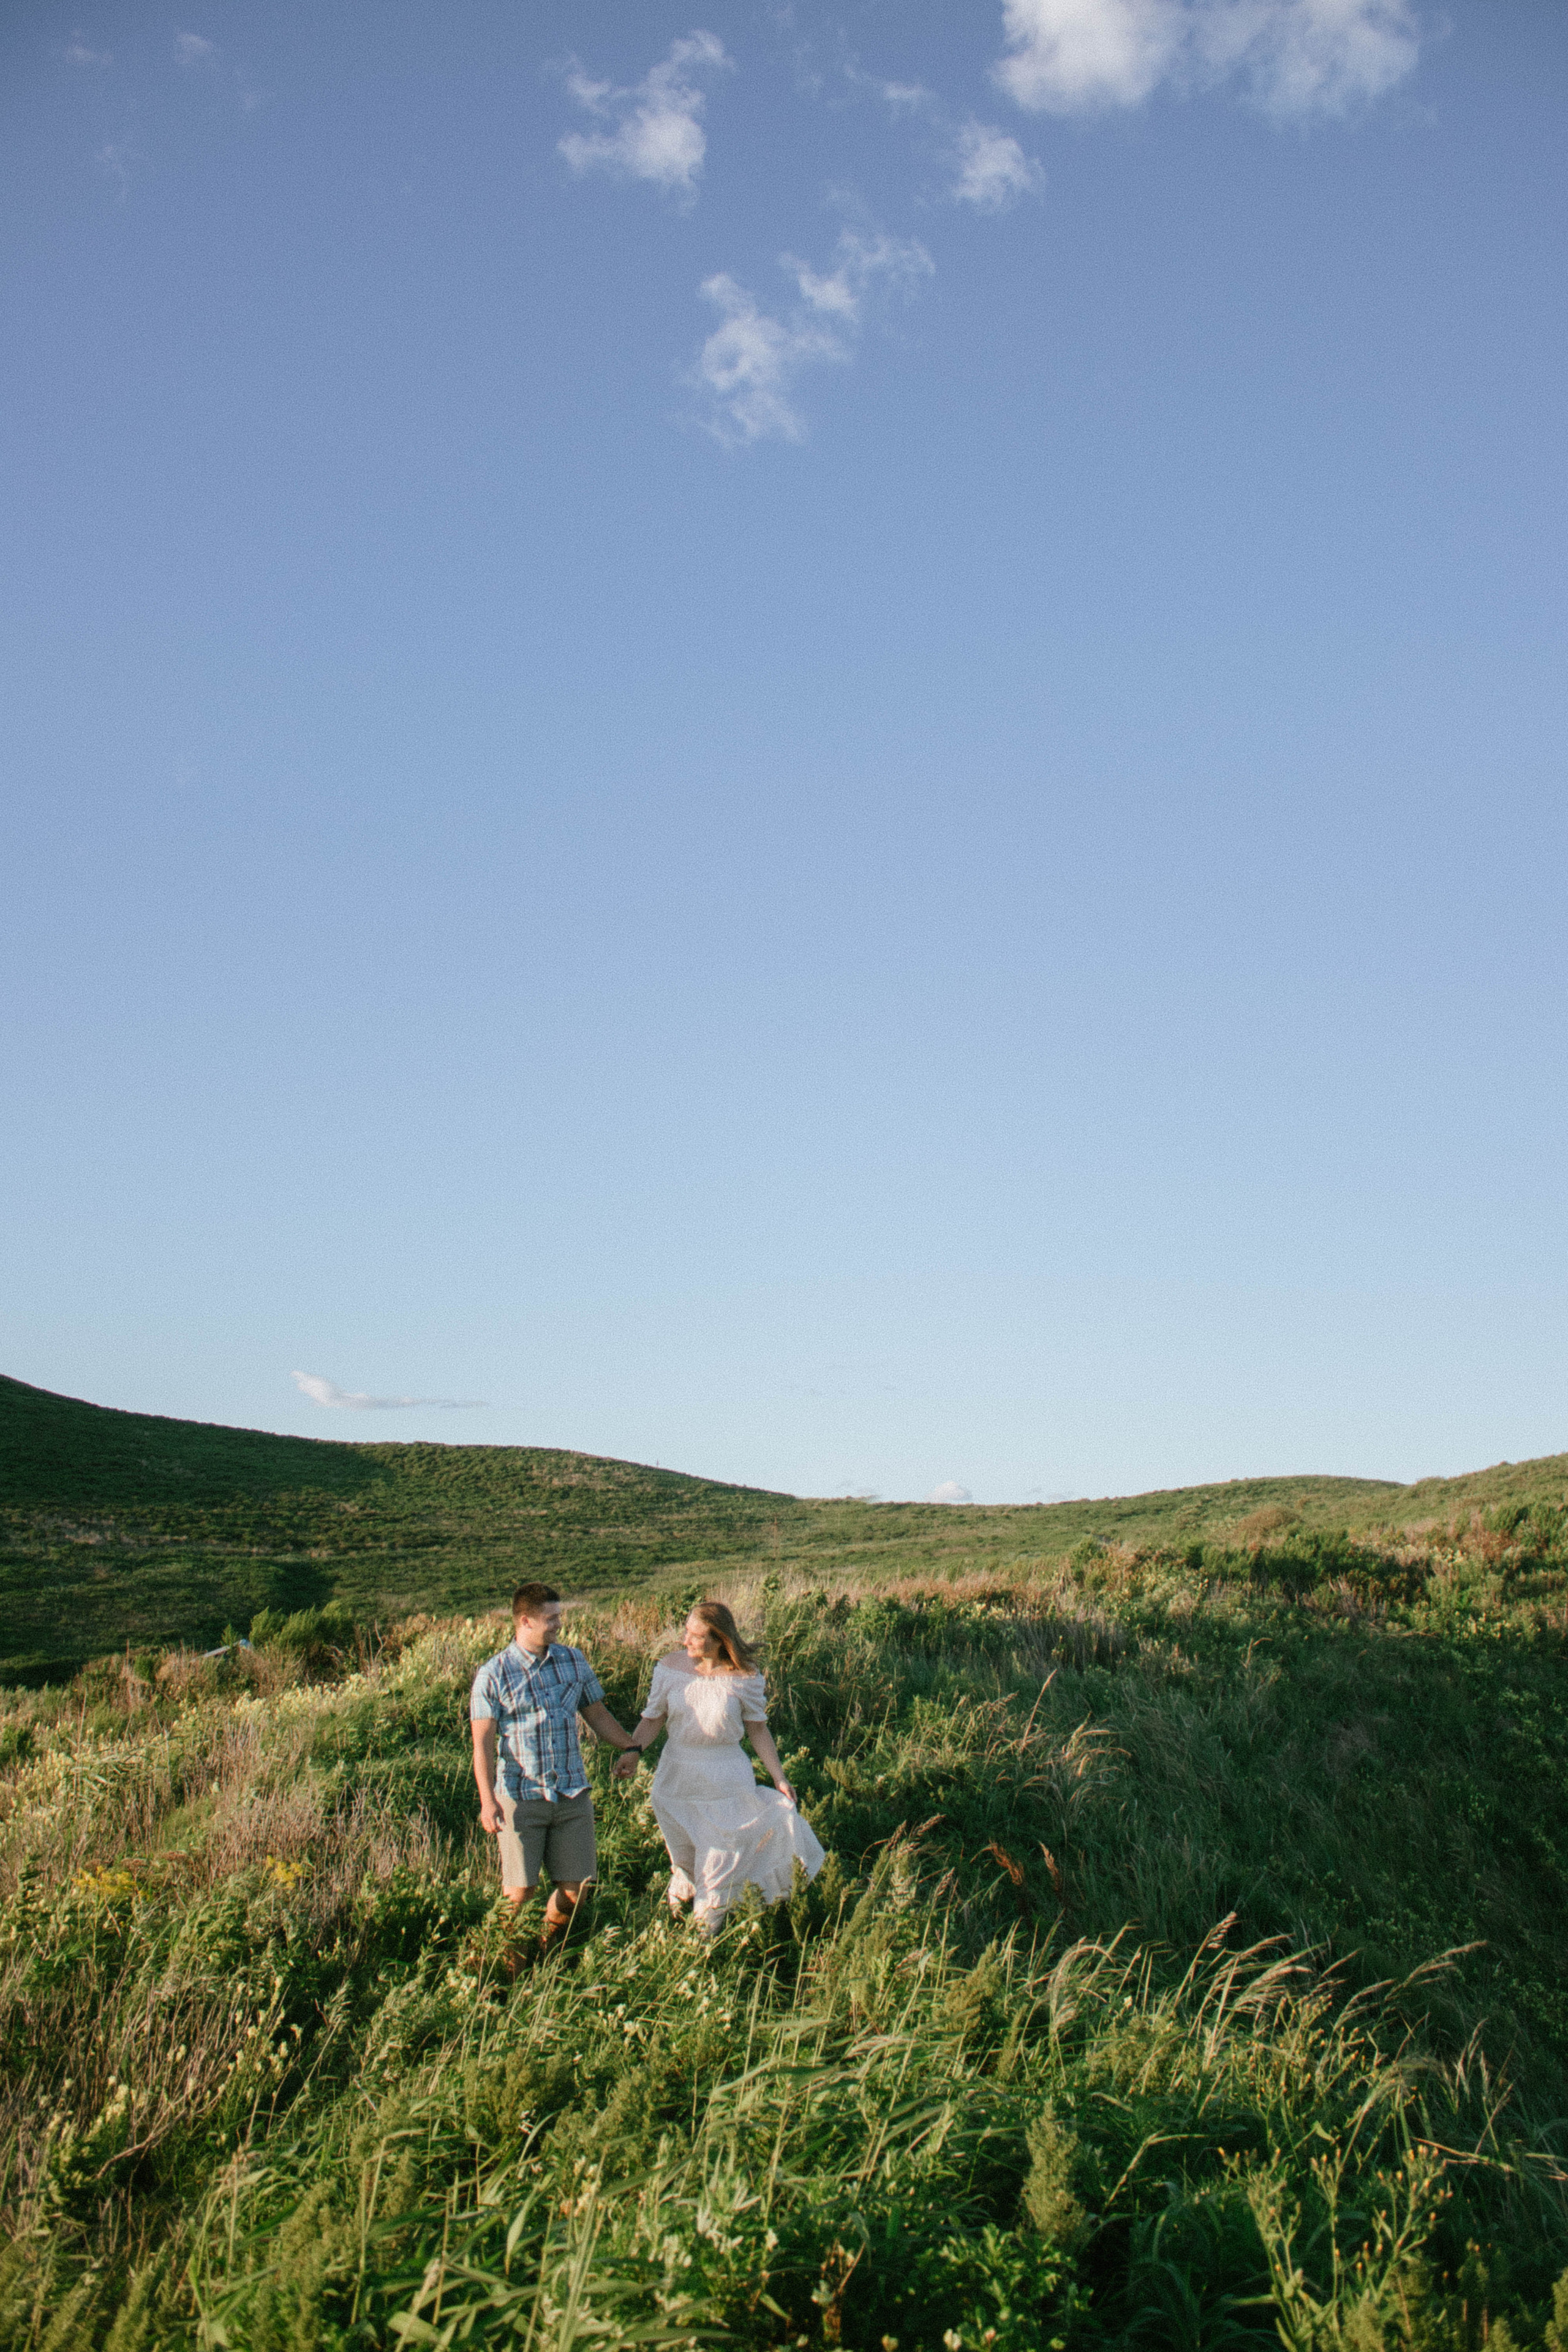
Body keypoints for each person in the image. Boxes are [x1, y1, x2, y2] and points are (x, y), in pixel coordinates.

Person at [612, 1598, 824, 1932]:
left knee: (718, 1862)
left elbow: (758, 1729)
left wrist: (779, 1778)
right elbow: (653, 1719)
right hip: (676, 1781)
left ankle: (702, 1940)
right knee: (684, 1863)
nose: (686, 1641)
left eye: (695, 1636)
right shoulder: (670, 1667)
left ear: (719, 1639)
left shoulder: (744, 1677)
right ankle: (676, 1924)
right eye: (686, 1632)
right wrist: (633, 1751)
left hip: (725, 1783)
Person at [470, 1581, 640, 1949]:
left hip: (571, 1793)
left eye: (559, 1616)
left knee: (577, 1889)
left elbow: (596, 1712)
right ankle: (492, 1971)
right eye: (551, 1618)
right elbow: (482, 1744)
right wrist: (487, 1800)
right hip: (520, 1795)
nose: (559, 1624)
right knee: (519, 1894)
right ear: (525, 1621)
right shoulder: (494, 1674)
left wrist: (630, 1746)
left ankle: (547, 1954)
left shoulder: (573, 1660)